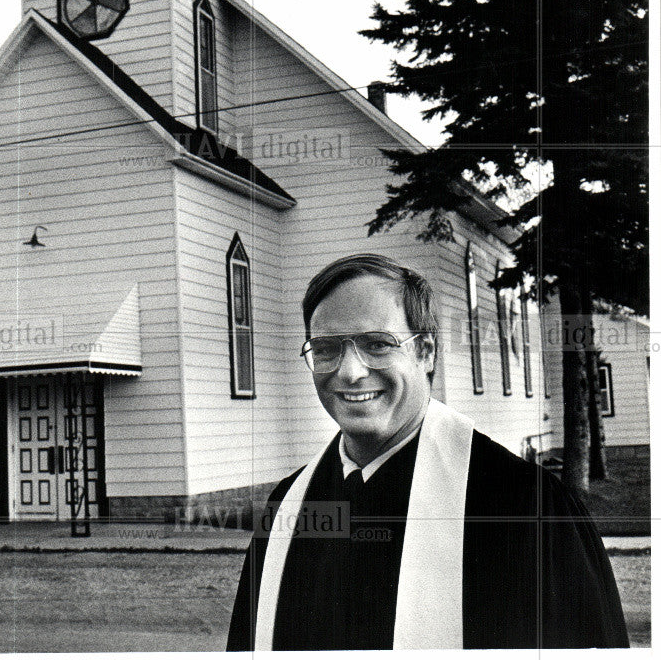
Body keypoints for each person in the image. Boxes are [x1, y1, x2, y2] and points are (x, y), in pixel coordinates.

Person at [226, 254, 629, 651]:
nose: (349, 372)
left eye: (378, 344)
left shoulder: (523, 505)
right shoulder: (289, 506)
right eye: (327, 348)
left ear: (426, 352)